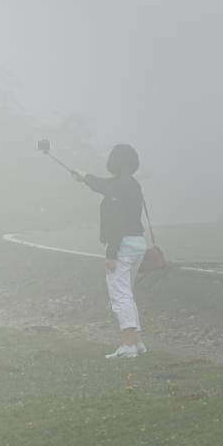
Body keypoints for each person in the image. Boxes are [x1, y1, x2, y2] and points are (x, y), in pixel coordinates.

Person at [72, 144, 148, 359]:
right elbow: (104, 185)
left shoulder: (118, 188)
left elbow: (117, 222)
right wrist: (85, 177)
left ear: (113, 162)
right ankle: (137, 342)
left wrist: (111, 254)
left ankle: (128, 345)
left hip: (122, 246)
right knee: (127, 293)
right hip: (138, 243)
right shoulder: (131, 184)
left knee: (120, 296)